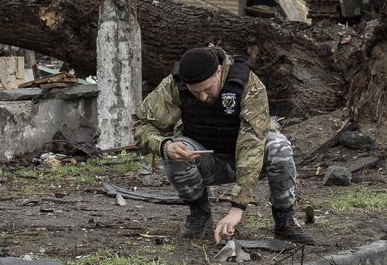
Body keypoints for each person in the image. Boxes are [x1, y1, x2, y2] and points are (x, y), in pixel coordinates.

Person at [132, 46, 314, 245]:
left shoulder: (247, 84)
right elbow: (141, 124)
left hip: (247, 159)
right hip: (205, 160)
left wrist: (238, 207)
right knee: (174, 149)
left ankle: (284, 220)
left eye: (207, 90)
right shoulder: (174, 85)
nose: (202, 98)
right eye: (195, 92)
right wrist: (163, 146)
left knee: (279, 146)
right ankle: (199, 213)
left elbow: (252, 144)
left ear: (218, 71)